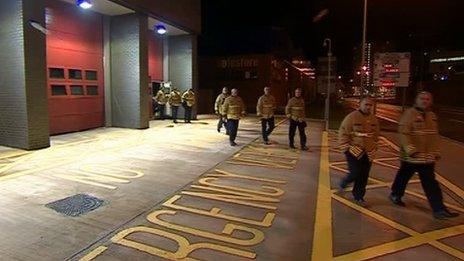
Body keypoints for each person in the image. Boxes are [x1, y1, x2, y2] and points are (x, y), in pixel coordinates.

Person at [389, 91, 459, 219]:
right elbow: (403, 134)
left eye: (427, 99)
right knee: (403, 176)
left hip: (427, 158)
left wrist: (436, 151)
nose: (425, 101)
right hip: (411, 157)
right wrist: (411, 150)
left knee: (430, 183)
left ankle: (439, 209)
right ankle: (395, 194)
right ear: (416, 100)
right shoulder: (409, 114)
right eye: (422, 98)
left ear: (430, 101)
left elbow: (434, 136)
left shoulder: (432, 116)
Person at [338, 96, 379, 207]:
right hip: (354, 150)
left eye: (370, 105)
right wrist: (345, 148)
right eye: (366, 104)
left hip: (368, 152)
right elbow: (343, 133)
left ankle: (359, 196)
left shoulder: (374, 119)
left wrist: (375, 147)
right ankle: (344, 183)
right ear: (359, 105)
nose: (368, 107)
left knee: (364, 175)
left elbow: (376, 136)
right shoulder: (351, 117)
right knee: (355, 172)